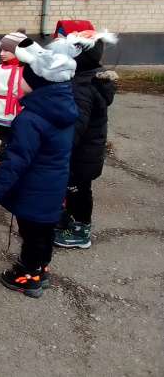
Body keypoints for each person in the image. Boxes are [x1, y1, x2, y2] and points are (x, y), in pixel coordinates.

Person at [0, 39, 79, 298]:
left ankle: (29, 277)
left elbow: (17, 160)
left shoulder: (30, 119)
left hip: (34, 187)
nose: (18, 81)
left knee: (31, 232)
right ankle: (41, 267)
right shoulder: (62, 108)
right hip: (53, 184)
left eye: (23, 78)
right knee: (43, 230)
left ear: (37, 83)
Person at [48, 29, 118, 249]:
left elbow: (75, 124)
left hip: (80, 154)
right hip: (86, 152)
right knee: (76, 189)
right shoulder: (92, 77)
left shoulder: (82, 86)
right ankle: (69, 220)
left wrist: (59, 148)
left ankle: (80, 231)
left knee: (77, 192)